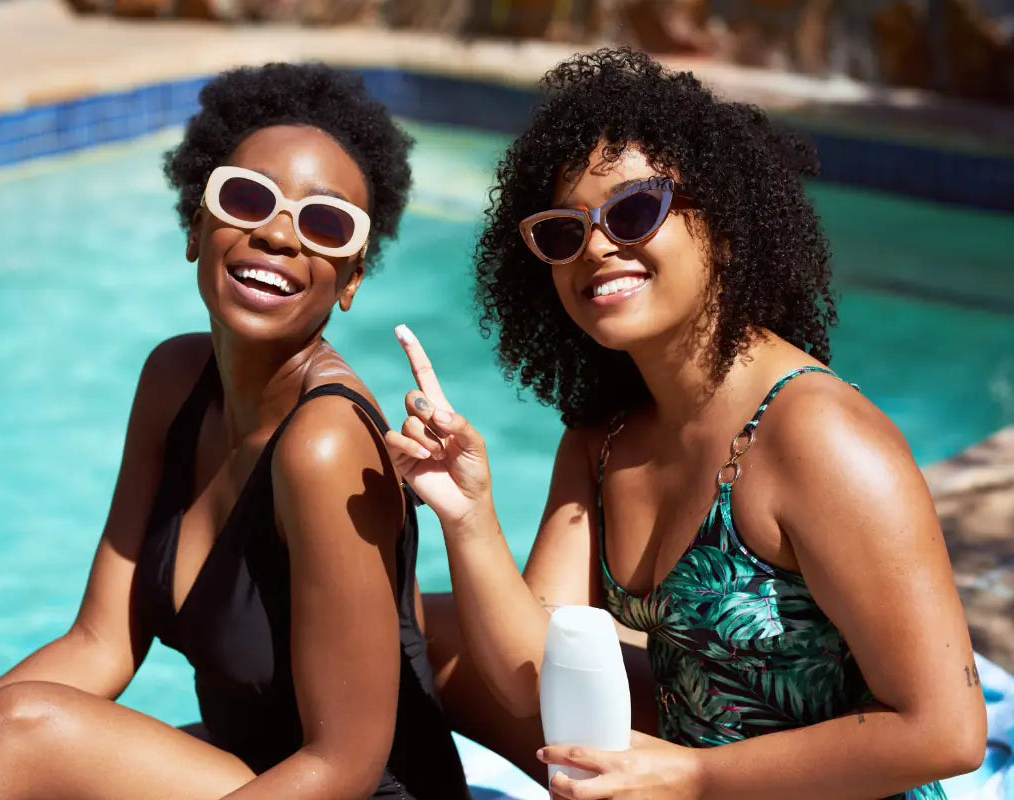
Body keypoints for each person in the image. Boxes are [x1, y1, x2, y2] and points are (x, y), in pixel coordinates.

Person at [0, 62, 470, 800]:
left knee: (22, 728)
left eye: (324, 223)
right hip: (243, 777)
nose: (277, 234)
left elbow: (345, 764)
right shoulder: (174, 381)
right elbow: (101, 643)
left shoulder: (323, 444)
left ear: (352, 277)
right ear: (197, 226)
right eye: (246, 198)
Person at [386, 48, 987, 800]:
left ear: (726, 224)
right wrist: (466, 513)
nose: (598, 245)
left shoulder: (820, 437)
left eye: (635, 211)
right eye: (563, 233)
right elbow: (531, 678)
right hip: (679, 773)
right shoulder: (602, 440)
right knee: (412, 619)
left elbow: (947, 733)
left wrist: (696, 776)